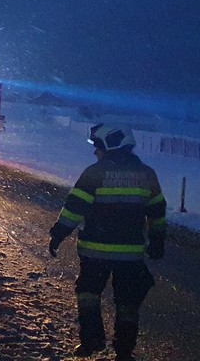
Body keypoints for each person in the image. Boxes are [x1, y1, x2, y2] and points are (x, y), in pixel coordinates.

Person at [47, 123, 167, 361]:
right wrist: (157, 240)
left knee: (88, 293)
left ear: (110, 145)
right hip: (131, 255)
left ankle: (91, 341)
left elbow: (74, 209)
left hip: (95, 252)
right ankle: (124, 352)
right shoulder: (147, 174)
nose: (95, 152)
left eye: (98, 146)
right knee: (127, 304)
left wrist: (59, 233)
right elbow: (157, 211)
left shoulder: (95, 173)